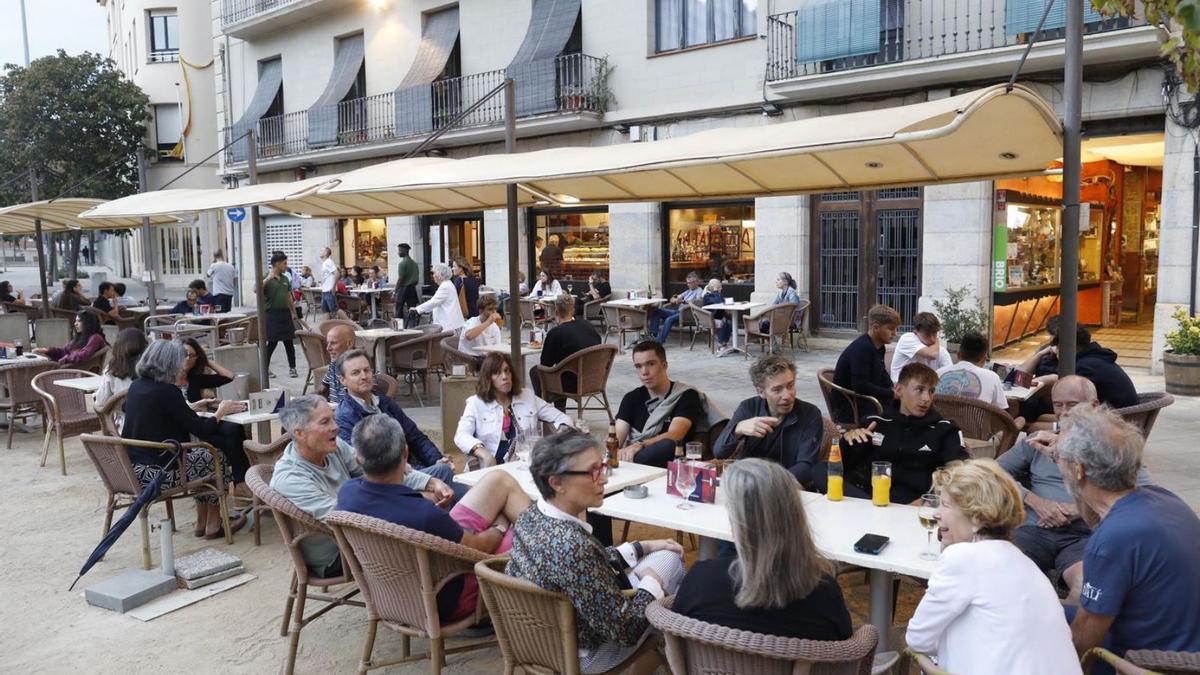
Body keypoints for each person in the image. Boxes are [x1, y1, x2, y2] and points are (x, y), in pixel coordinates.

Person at [507, 431, 685, 674]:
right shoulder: (573, 548)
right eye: (593, 471)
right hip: (581, 654)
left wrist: (642, 547)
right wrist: (652, 584)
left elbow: (585, 568)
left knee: (664, 557)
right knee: (671, 593)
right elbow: (626, 630)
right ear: (556, 482)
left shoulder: (531, 515)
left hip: (535, 639)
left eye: (602, 467)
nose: (603, 479)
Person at [338, 414, 532, 623]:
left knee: (498, 480)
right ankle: (549, 556)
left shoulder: (348, 494)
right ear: (405, 453)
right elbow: (479, 548)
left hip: (395, 593)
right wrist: (501, 526)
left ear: (358, 459)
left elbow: (392, 502)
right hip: (445, 597)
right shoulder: (423, 515)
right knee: (528, 533)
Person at [905, 460, 1082, 675]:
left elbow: (917, 639)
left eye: (946, 505)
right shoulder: (1023, 561)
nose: (936, 513)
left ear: (978, 519)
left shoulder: (964, 558)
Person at [1058, 405, 1200, 660]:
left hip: (1152, 661)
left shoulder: (1114, 538)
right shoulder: (1164, 499)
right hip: (1184, 640)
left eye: (1059, 458)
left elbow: (1084, 644)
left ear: (1079, 470)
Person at [997, 376, 1151, 603]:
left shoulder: (1112, 449)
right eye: (1058, 404)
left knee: (1084, 588)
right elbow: (991, 471)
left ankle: (1066, 635)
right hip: (1032, 531)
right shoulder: (1037, 442)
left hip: (1083, 536)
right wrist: (1034, 500)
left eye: (1072, 404)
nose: (1064, 412)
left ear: (1094, 406)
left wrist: (1079, 509)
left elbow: (1145, 492)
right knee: (1004, 577)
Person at [271, 395, 449, 578]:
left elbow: (381, 469)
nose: (336, 427)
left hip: (361, 528)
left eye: (332, 418)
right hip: (338, 552)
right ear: (299, 433)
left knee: (441, 480)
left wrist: (430, 482)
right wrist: (410, 507)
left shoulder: (332, 446)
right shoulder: (290, 477)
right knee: (429, 525)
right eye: (325, 422)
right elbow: (342, 519)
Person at [673, 459, 852, 640]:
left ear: (738, 522)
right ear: (795, 518)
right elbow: (846, 656)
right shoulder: (824, 595)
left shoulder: (701, 581)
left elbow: (676, 637)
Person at [122, 340, 247, 539]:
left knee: (200, 457)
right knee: (216, 457)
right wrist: (220, 412)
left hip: (132, 468)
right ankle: (214, 524)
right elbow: (203, 430)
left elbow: (155, 414)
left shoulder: (137, 386)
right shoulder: (167, 391)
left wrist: (190, 408)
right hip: (160, 473)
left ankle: (201, 522)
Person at [830, 363, 968, 504]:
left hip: (915, 504)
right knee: (820, 470)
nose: (926, 398)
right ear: (899, 390)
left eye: (931, 391)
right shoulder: (875, 424)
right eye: (919, 390)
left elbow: (960, 474)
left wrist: (929, 499)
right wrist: (848, 442)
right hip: (869, 499)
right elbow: (840, 468)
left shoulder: (945, 430)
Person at [332, 349, 456, 483]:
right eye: (356, 373)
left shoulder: (384, 402)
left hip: (412, 469)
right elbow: (361, 462)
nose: (364, 376)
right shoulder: (345, 416)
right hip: (386, 479)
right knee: (445, 473)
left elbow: (415, 436)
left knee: (449, 476)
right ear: (343, 380)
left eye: (367, 370)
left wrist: (436, 459)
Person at [713, 355, 824, 487]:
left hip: (787, 488)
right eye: (777, 390)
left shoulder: (809, 414)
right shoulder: (749, 408)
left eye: (791, 385)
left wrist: (769, 485)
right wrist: (738, 429)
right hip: (747, 484)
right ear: (761, 392)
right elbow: (719, 453)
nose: (787, 396)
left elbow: (806, 466)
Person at [614, 340, 720, 467]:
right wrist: (613, 451)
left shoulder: (686, 395)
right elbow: (616, 437)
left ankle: (629, 466)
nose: (644, 372)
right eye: (638, 366)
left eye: (651, 364)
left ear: (664, 365)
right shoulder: (631, 398)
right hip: (632, 457)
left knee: (668, 445)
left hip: (672, 460)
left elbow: (675, 435)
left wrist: (640, 445)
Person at [456, 352, 571, 467]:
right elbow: (461, 435)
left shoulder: (527, 396)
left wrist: (562, 430)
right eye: (497, 373)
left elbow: (561, 417)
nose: (504, 377)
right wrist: (484, 453)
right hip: (491, 467)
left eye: (507, 371)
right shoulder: (476, 403)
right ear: (488, 378)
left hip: (524, 464)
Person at [1017, 322, 1138, 418]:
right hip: (1111, 417)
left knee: (1030, 422)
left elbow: (1055, 383)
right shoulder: (1093, 357)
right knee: (1035, 418)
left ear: (1066, 346)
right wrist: (1039, 354)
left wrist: (1018, 383)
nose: (1053, 348)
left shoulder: (1085, 366)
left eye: (1056, 345)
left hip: (1110, 424)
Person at [830, 304, 899, 424]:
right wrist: (891, 394)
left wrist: (893, 388)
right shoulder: (863, 349)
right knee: (899, 416)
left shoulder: (879, 347)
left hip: (867, 401)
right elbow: (861, 386)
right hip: (852, 407)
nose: (895, 333)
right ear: (875, 327)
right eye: (891, 328)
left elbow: (882, 373)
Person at [534, 295, 600, 400]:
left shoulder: (555, 333)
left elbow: (545, 364)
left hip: (570, 385)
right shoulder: (587, 325)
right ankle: (559, 410)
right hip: (594, 380)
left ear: (556, 312)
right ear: (573, 311)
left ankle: (545, 409)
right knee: (561, 370)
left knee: (536, 372)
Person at [936, 330, 1008, 409]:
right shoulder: (993, 377)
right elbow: (1001, 410)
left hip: (942, 420)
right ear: (983, 359)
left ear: (958, 355)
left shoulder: (938, 373)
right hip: (977, 421)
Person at [93, 328, 148, 430]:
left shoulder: (112, 370)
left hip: (124, 430)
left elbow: (100, 403)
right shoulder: (152, 368)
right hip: (153, 425)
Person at [264, 251, 299, 378]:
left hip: (285, 314)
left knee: (289, 342)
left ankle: (292, 368)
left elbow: (289, 296)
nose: (286, 266)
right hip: (271, 314)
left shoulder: (285, 279)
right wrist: (268, 278)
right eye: (284, 263)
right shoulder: (266, 276)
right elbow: (256, 289)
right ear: (277, 264)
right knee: (272, 343)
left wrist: (293, 312)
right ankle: (265, 368)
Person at [890, 311, 952, 381]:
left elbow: (950, 374)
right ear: (916, 332)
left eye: (934, 334)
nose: (932, 339)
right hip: (900, 386)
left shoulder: (941, 351)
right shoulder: (907, 338)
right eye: (927, 335)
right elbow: (932, 354)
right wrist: (937, 340)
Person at [33, 310, 107, 366]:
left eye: (79, 321)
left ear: (88, 323)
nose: (75, 323)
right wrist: (47, 350)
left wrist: (64, 360)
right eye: (75, 321)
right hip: (73, 369)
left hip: (82, 372)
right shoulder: (81, 337)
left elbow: (83, 354)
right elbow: (64, 351)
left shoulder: (96, 338)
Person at [648, 272, 703, 343]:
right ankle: (653, 335)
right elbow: (676, 297)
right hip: (678, 312)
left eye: (690, 283)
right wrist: (674, 299)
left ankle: (660, 341)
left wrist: (682, 301)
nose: (688, 284)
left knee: (669, 319)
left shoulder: (699, 291)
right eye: (687, 283)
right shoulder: (688, 291)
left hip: (688, 314)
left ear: (696, 282)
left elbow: (696, 303)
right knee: (656, 311)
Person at [179, 337, 236, 403]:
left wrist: (205, 360)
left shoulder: (196, 379)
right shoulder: (167, 379)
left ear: (196, 358)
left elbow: (229, 377)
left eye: (192, 355)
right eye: (184, 354)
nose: (187, 358)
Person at [411, 262, 465, 331]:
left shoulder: (445, 286)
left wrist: (417, 309)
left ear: (440, 275)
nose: (433, 276)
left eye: (434, 273)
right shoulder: (447, 284)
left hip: (449, 326)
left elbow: (433, 302)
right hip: (450, 325)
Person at [318, 324, 358, 403]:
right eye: (328, 343)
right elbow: (322, 389)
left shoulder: (359, 368)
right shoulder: (334, 362)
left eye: (333, 343)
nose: (328, 348)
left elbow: (356, 403)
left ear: (349, 344)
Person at [757, 272, 801, 337]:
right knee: (761, 323)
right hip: (781, 318)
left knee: (764, 324)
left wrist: (779, 310)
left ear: (785, 282)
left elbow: (793, 307)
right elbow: (773, 305)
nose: (776, 282)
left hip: (790, 321)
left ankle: (772, 344)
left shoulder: (792, 293)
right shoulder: (780, 293)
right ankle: (771, 343)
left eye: (778, 280)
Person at [459, 294, 501, 358]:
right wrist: (488, 322)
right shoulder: (472, 321)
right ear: (481, 311)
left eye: (495, 309)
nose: (494, 312)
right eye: (490, 309)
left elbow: (497, 347)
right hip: (469, 357)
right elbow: (469, 336)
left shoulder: (494, 326)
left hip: (485, 358)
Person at [701, 278, 733, 348]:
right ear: (713, 288)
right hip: (709, 318)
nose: (721, 288)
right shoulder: (707, 296)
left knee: (730, 322)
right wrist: (716, 291)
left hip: (717, 316)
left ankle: (724, 342)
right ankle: (720, 343)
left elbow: (722, 301)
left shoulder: (717, 294)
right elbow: (718, 301)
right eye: (719, 287)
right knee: (723, 322)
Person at [394, 243, 419, 316]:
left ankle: (400, 325)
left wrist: (396, 290)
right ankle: (413, 325)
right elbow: (417, 279)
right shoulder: (414, 263)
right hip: (412, 288)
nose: (398, 252)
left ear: (405, 251)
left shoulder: (402, 264)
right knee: (412, 309)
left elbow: (400, 279)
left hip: (403, 288)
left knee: (399, 309)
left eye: (400, 250)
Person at [319, 247, 338, 317]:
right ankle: (326, 327)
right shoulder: (325, 263)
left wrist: (333, 287)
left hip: (329, 290)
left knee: (335, 310)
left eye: (322, 250)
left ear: (326, 253)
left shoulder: (328, 262)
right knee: (325, 311)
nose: (320, 251)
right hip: (325, 290)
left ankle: (349, 323)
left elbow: (337, 273)